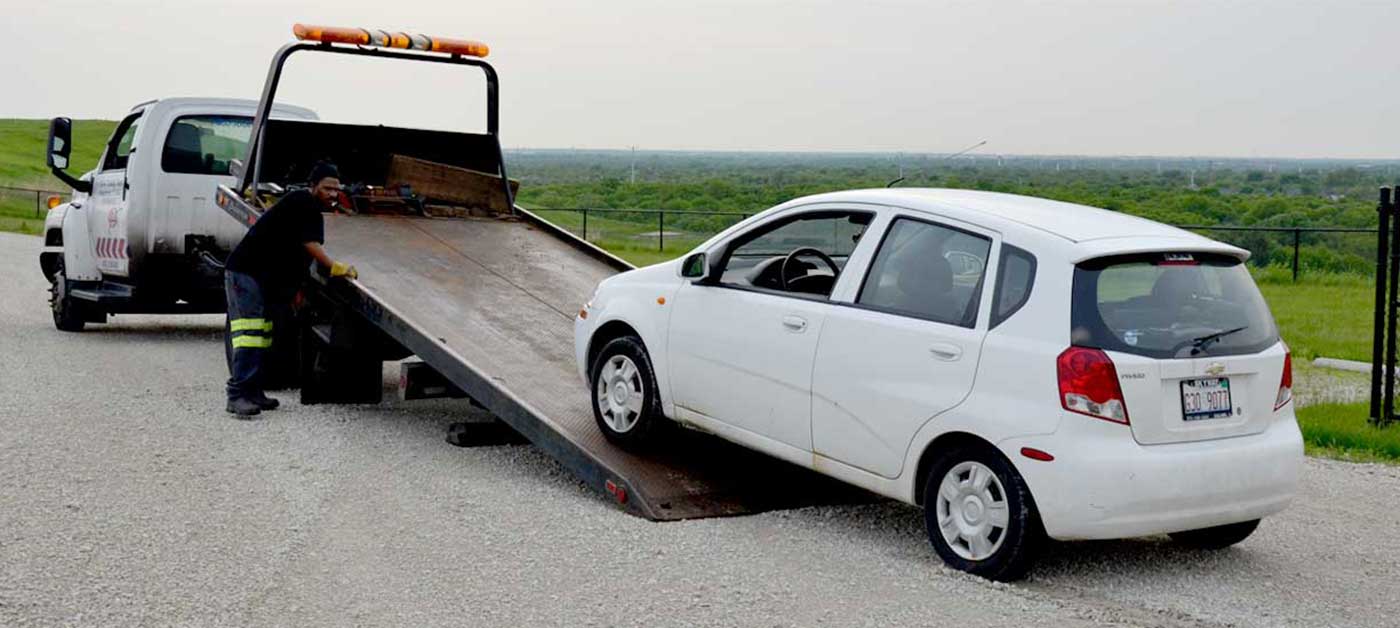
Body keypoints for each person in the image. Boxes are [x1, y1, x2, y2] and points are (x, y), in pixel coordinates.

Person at [222, 161, 358, 417]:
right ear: (313, 185)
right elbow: (310, 245)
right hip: (246, 273)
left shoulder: (310, 208)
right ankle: (237, 394)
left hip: (264, 278)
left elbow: (296, 254)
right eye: (327, 188)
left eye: (335, 190)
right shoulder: (302, 202)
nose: (332, 194)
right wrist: (334, 267)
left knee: (263, 336)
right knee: (249, 334)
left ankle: (254, 392)